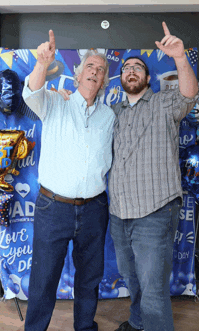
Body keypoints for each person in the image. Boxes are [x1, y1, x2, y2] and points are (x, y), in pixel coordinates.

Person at [58, 21, 199, 331]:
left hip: (155, 211)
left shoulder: (164, 102)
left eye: (138, 67)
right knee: (133, 279)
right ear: (119, 79)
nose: (131, 71)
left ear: (147, 78)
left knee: (153, 289)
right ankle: (138, 323)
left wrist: (179, 57)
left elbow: (190, 93)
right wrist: (68, 102)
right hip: (120, 214)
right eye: (126, 69)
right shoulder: (113, 113)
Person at [22, 30, 115, 331]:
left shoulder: (110, 117)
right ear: (77, 76)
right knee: (44, 279)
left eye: (100, 70)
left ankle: (85, 327)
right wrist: (41, 64)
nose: (95, 72)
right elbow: (30, 93)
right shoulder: (54, 102)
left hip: (94, 209)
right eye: (90, 66)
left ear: (103, 82)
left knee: (90, 278)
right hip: (54, 208)